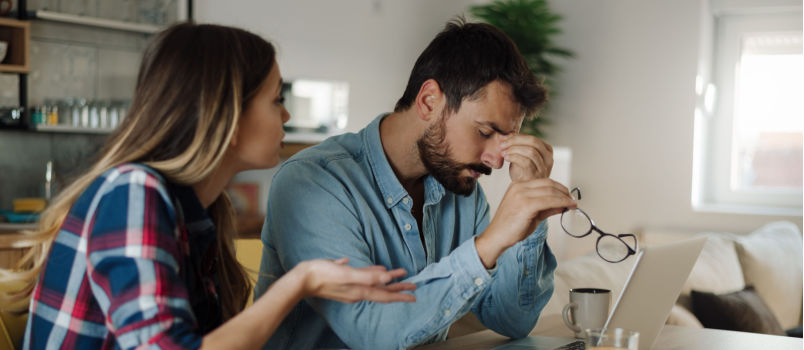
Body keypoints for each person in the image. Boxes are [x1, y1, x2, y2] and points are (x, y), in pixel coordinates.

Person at [0, 22, 416, 349]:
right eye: (275, 99)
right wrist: (299, 282)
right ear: (229, 115)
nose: (286, 116)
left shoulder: (203, 210)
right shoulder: (131, 193)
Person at [255, 18, 578, 349]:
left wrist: (529, 218)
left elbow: (512, 320)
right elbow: (372, 333)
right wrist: (488, 245)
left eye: (507, 139)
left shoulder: (460, 188)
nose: (496, 160)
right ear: (428, 101)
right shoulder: (314, 183)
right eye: (484, 132)